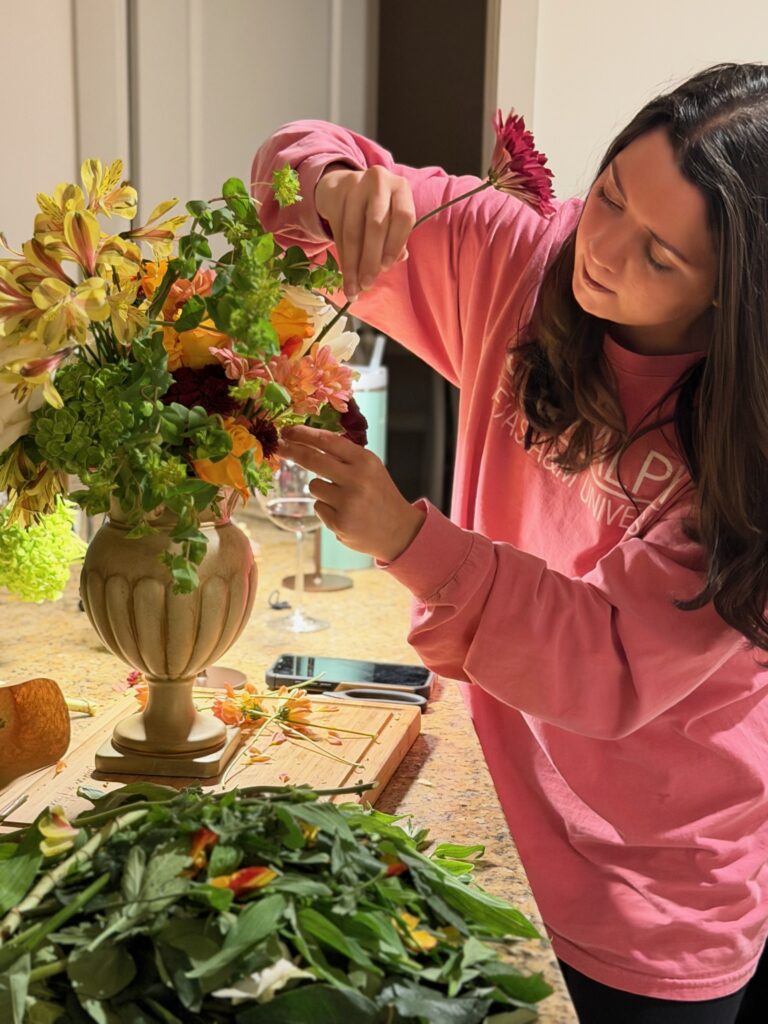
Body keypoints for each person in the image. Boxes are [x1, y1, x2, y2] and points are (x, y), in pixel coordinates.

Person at [251, 62, 768, 1022]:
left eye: (660, 257)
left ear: (731, 295)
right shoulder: (525, 260)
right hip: (487, 829)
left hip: (651, 902)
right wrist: (334, 187)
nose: (601, 250)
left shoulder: (746, 450)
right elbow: (292, 172)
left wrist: (408, 540)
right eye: (611, 196)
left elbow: (608, 661)